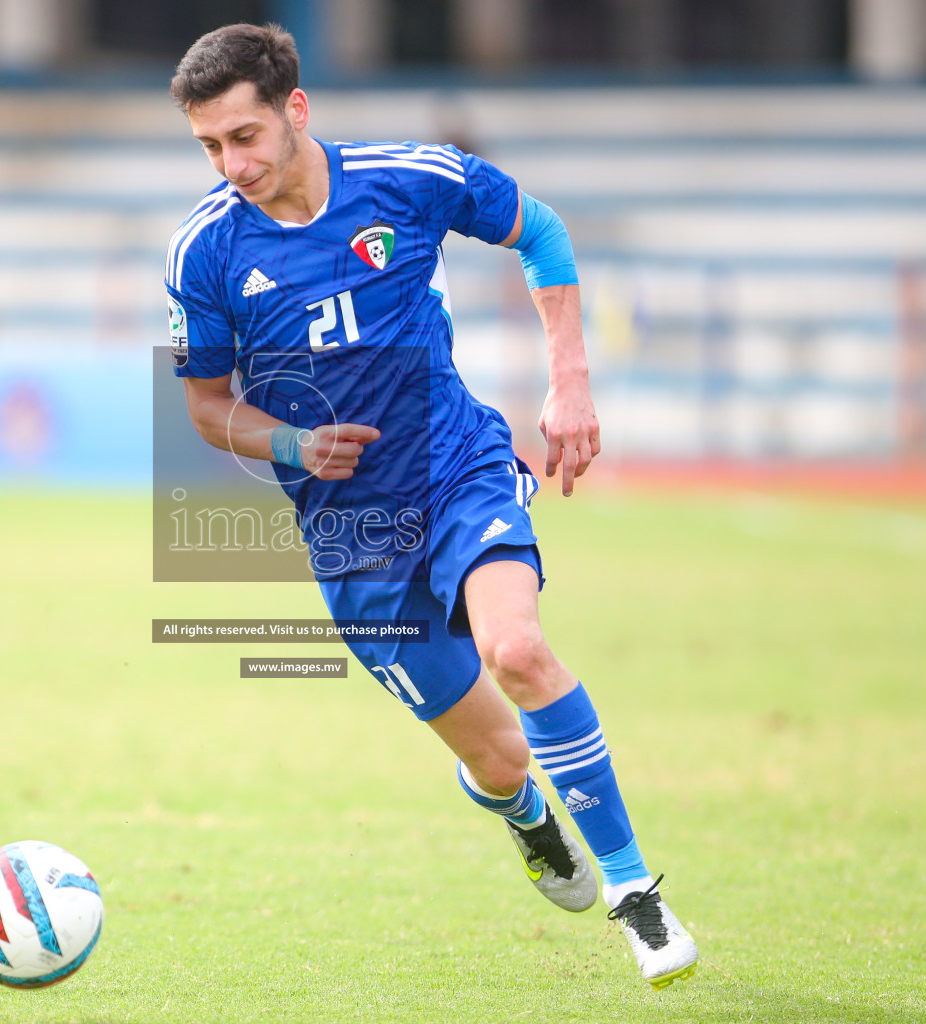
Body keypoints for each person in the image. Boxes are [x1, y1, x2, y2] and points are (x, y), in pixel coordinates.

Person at [164, 23, 699, 990]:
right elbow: (204, 405)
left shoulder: (406, 178)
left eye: (243, 136)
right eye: (209, 146)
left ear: (296, 109)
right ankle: (527, 818)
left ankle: (634, 894)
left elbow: (541, 230)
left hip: (457, 465)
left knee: (519, 650)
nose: (230, 164)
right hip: (352, 538)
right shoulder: (205, 251)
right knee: (499, 760)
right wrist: (288, 444)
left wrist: (570, 382)